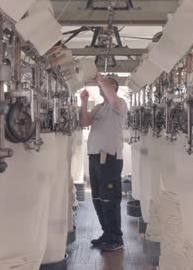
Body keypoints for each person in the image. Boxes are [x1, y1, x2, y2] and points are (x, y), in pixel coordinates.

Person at [79, 73, 128, 252]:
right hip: (94, 158)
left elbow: (113, 100)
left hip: (110, 158)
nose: (100, 88)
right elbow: (84, 122)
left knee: (110, 199)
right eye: (99, 86)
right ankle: (107, 233)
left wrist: (100, 78)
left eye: (104, 85)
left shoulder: (119, 104)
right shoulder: (99, 107)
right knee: (98, 199)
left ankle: (116, 238)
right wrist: (83, 103)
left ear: (112, 87)